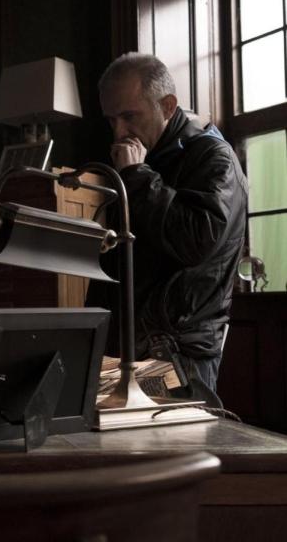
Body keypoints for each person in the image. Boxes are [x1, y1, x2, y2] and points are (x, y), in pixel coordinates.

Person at [89, 52, 247, 404]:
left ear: (168, 106)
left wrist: (138, 178)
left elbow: (195, 241)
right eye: (111, 119)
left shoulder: (213, 158)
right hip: (132, 350)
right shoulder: (146, 159)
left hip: (178, 355)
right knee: (131, 453)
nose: (119, 131)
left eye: (130, 116)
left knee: (178, 451)